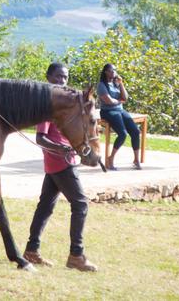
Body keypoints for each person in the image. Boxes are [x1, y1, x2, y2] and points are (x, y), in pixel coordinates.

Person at [23, 62, 97, 272]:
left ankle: (31, 251)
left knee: (45, 206)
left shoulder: (64, 103)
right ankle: (76, 255)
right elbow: (40, 138)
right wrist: (62, 149)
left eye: (64, 77)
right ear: (48, 78)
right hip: (60, 162)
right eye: (57, 77)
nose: (62, 81)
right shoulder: (49, 106)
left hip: (62, 161)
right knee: (80, 204)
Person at [96, 63, 140, 170]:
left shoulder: (116, 83)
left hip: (120, 110)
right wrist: (119, 101)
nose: (114, 72)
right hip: (108, 111)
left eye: (115, 70)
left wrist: (121, 84)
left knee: (135, 131)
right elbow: (108, 101)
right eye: (111, 70)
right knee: (122, 134)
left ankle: (136, 159)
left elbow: (125, 97)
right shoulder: (102, 85)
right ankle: (110, 159)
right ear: (106, 72)